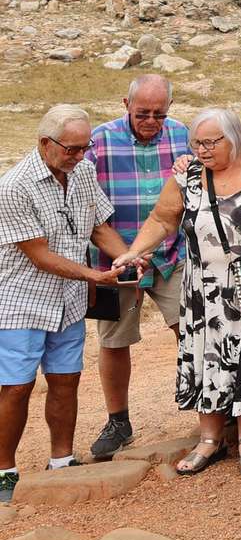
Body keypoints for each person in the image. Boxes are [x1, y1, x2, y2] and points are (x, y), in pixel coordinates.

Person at [111, 108, 241, 476]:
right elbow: (163, 219)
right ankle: (209, 439)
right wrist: (134, 251)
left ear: (235, 138)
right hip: (205, 289)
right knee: (208, 357)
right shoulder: (188, 175)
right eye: (198, 143)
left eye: (212, 142)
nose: (204, 150)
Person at [0, 106, 127, 501]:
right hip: (21, 300)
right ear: (45, 143)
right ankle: (5, 470)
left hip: (68, 300)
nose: (78, 156)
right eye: (71, 149)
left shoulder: (83, 172)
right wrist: (94, 275)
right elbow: (39, 256)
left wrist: (124, 258)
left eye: (84, 148)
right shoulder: (14, 187)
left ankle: (62, 460)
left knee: (66, 378)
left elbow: (98, 227)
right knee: (17, 387)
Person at [82, 75, 190, 460]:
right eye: (142, 112)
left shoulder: (183, 135)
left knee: (192, 331)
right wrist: (126, 254)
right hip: (114, 258)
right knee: (114, 341)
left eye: (159, 114)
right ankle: (118, 421)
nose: (150, 120)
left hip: (171, 255)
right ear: (124, 104)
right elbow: (89, 208)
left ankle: (213, 408)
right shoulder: (99, 140)